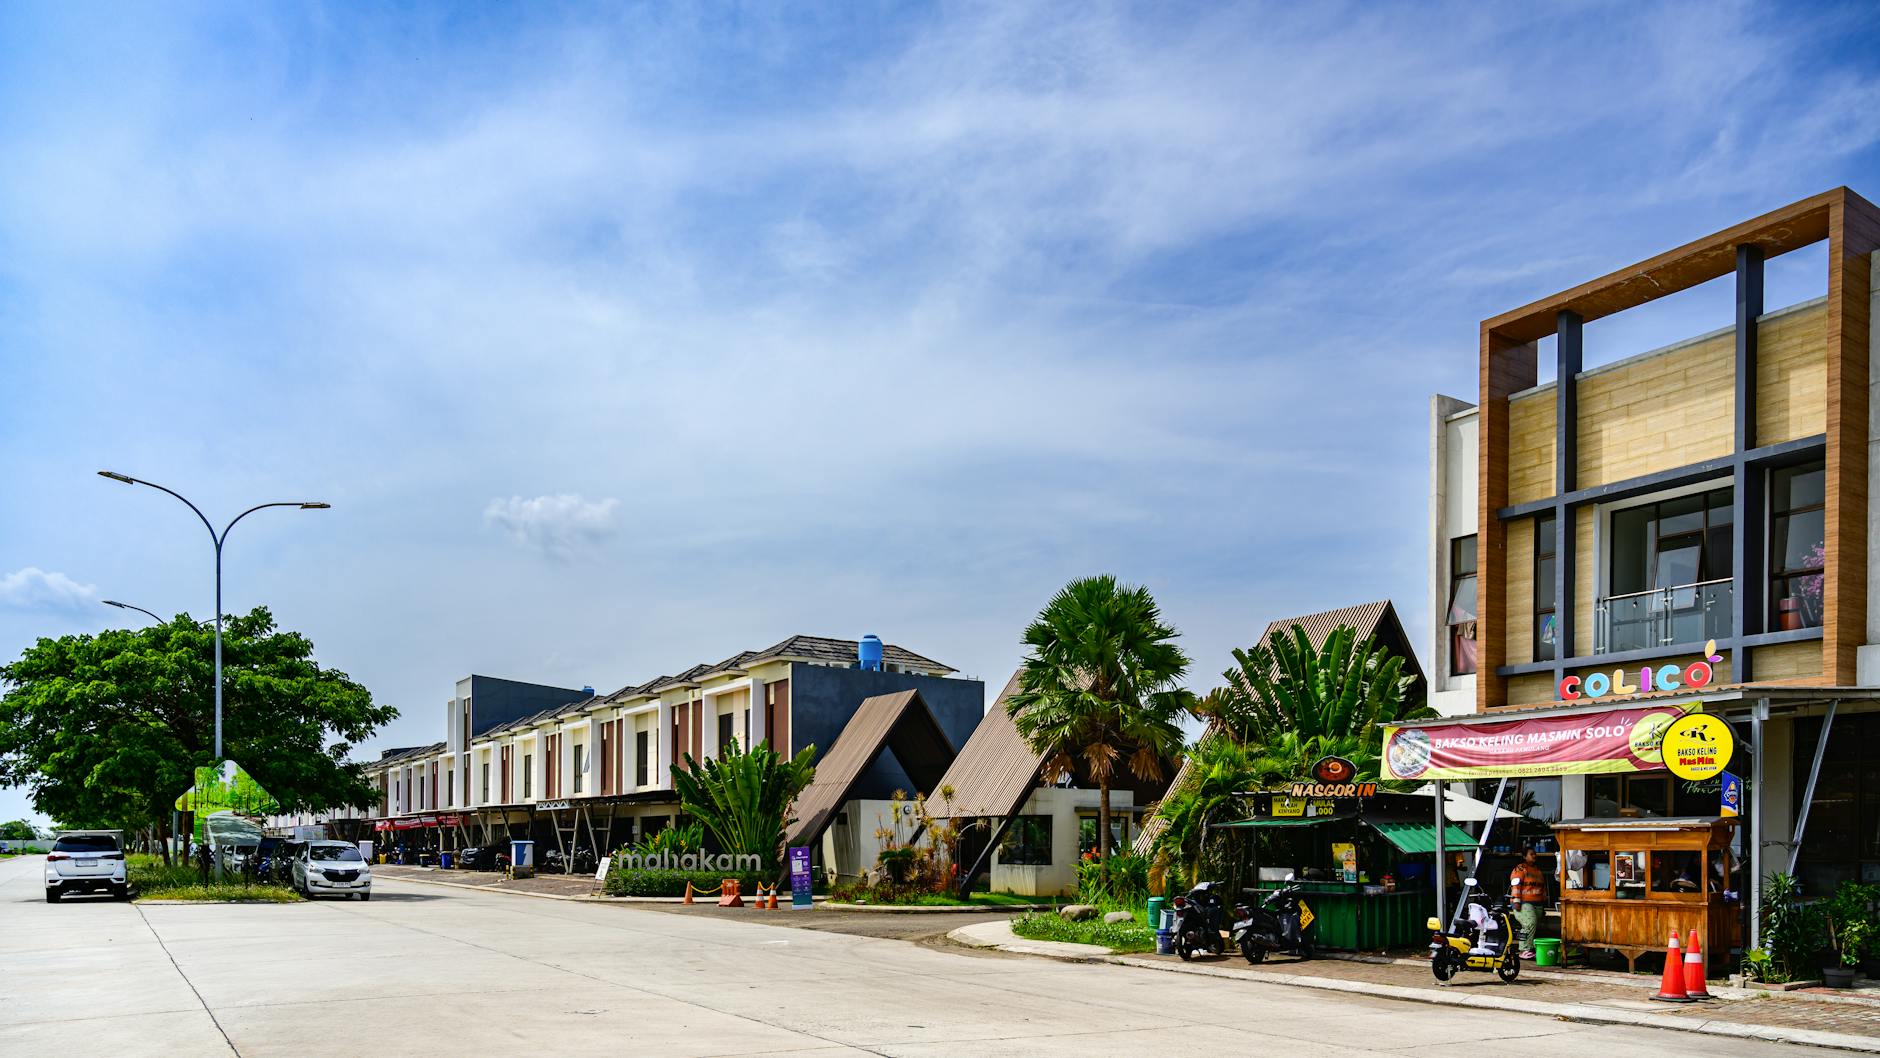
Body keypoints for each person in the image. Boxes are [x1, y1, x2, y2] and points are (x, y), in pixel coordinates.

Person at [1509, 845, 1545, 959]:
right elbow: (1516, 885)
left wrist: (1543, 903)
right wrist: (1516, 902)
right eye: (1531, 854)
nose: (1534, 856)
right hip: (1524, 903)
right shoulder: (1520, 869)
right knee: (1529, 923)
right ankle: (1523, 950)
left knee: (1528, 926)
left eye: (1535, 854)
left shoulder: (1538, 870)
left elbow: (1542, 888)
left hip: (1537, 904)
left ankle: (1528, 949)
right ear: (1524, 856)